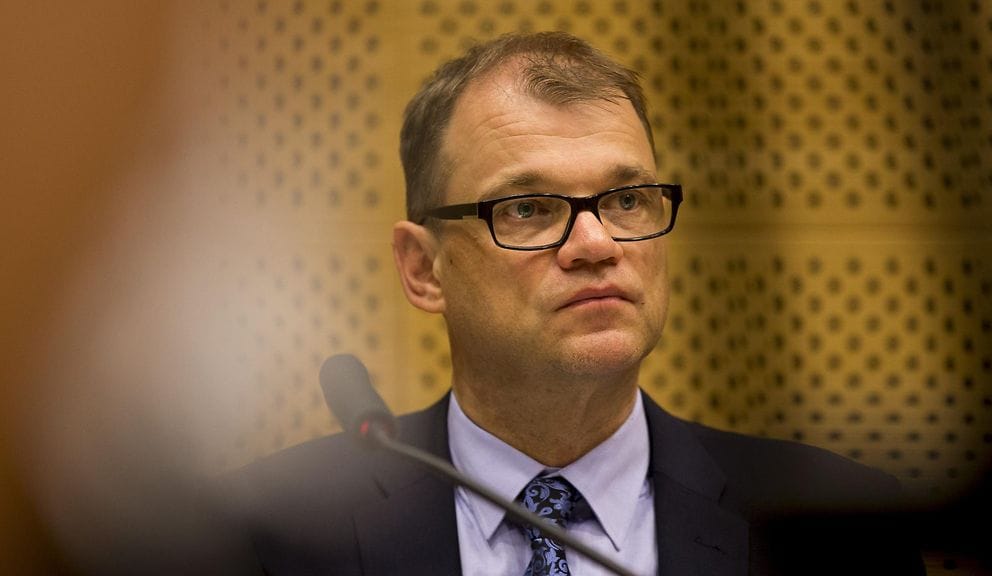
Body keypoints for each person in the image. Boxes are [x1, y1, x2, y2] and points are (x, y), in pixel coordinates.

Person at [228, 32, 925, 575]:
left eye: (627, 200)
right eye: (528, 208)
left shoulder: (832, 528)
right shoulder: (264, 533)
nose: (596, 244)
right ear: (423, 269)